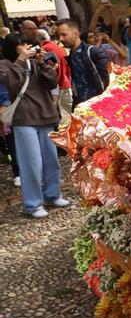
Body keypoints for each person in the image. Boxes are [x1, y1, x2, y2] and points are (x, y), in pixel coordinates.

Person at [0, 34, 70, 218]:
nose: (27, 46)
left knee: (51, 159)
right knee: (31, 163)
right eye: (22, 44)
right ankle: (33, 204)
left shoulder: (36, 62)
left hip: (45, 115)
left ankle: (53, 195)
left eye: (28, 43)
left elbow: (52, 82)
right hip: (24, 118)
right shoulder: (6, 65)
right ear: (12, 47)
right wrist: (21, 61)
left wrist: (42, 63)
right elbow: (11, 83)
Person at [56, 19, 110, 108]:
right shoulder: (70, 57)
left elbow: (107, 80)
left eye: (64, 35)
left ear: (76, 34)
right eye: (59, 35)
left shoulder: (93, 52)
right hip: (81, 109)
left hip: (100, 106)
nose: (61, 39)